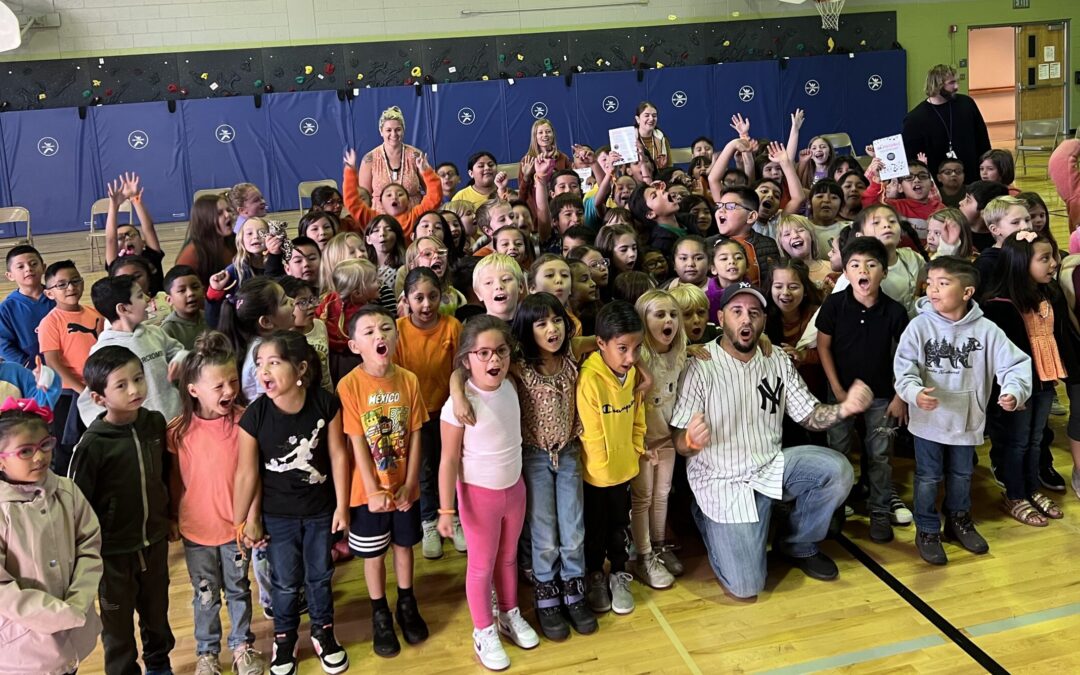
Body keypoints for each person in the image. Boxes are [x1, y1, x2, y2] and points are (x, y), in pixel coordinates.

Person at [670, 282, 867, 599]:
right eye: (737, 312)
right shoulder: (700, 365)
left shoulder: (775, 358)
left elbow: (808, 416)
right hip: (722, 481)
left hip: (770, 465)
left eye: (754, 313)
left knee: (837, 469)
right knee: (747, 587)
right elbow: (678, 437)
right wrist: (689, 442)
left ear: (763, 320)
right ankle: (708, 519)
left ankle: (798, 542)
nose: (746, 320)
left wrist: (845, 408)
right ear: (720, 318)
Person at [894, 256, 1032, 565]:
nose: (933, 290)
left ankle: (958, 521)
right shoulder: (918, 326)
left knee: (961, 474)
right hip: (928, 421)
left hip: (967, 420)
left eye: (943, 284)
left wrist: (1012, 391)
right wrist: (914, 393)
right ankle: (927, 529)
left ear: (967, 292)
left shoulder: (986, 330)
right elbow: (903, 368)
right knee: (928, 477)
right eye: (930, 283)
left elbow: (1016, 364)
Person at [233, 331, 351, 675]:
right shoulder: (254, 416)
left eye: (273, 362)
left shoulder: (325, 404)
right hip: (277, 516)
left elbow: (338, 456)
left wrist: (342, 505)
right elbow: (246, 474)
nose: (263, 371)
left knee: (320, 576)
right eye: (259, 364)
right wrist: (242, 521)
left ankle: (323, 632)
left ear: (300, 368)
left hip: (319, 511)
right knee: (284, 582)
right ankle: (284, 640)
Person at [438, 316, 539, 671]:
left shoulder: (511, 382)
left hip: (515, 489)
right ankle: (483, 630)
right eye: (483, 353)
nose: (493, 360)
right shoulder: (458, 404)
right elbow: (448, 460)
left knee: (508, 558)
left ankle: (509, 613)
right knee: (481, 567)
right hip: (479, 496)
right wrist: (445, 510)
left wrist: (457, 379)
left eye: (500, 351)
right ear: (467, 359)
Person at [69, 345, 176, 675]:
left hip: (154, 542)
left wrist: (170, 517)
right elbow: (78, 504)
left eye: (138, 379)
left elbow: (168, 474)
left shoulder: (155, 423)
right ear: (99, 398)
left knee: (157, 614)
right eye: (122, 385)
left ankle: (159, 665)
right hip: (112, 554)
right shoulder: (93, 444)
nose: (135, 390)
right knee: (117, 627)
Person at [167, 333, 264, 675]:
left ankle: (242, 646)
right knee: (205, 594)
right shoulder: (178, 432)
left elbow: (254, 477)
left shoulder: (246, 423)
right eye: (218, 385)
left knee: (238, 588)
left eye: (233, 381)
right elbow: (176, 481)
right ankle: (207, 653)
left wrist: (253, 519)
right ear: (193, 389)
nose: (229, 391)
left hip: (235, 531)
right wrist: (172, 518)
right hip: (197, 532)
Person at [338, 305, 430, 657]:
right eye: (370, 332)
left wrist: (409, 483)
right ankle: (380, 613)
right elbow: (356, 440)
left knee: (404, 547)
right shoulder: (350, 386)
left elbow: (417, 432)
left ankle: (407, 603)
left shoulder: (409, 379)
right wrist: (374, 488)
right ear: (354, 345)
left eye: (386, 328)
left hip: (404, 486)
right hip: (368, 492)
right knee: (373, 554)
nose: (380, 336)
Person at [816, 238, 910, 543]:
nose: (863, 270)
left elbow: (906, 358)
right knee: (838, 451)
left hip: (882, 396)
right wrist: (837, 389)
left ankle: (880, 511)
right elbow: (823, 346)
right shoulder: (834, 304)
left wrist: (899, 397)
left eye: (871, 264)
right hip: (840, 395)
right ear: (846, 270)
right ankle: (835, 510)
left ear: (884, 271)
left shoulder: (895, 312)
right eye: (855, 264)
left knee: (880, 455)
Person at [0, 398, 103, 675]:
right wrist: (54, 615)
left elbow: (89, 545)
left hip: (72, 632)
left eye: (45, 445)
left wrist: (79, 601)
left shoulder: (67, 491)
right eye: (25, 451)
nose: (39, 456)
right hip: (22, 648)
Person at [982, 232, 1072, 526]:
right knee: (1016, 441)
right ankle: (1015, 493)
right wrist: (1010, 391)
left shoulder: (1049, 294)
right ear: (1021, 263)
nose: (1054, 264)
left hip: (1045, 379)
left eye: (1054, 257)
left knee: (1035, 440)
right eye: (1044, 258)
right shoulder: (999, 305)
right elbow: (998, 358)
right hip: (1019, 387)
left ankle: (1032, 487)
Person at [577, 301, 645, 616]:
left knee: (620, 526)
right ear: (601, 344)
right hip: (595, 476)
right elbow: (591, 434)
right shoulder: (589, 379)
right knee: (595, 528)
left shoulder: (631, 374)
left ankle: (618, 572)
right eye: (622, 349)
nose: (631, 358)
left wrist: (635, 449)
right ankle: (594, 574)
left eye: (637, 348)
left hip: (624, 470)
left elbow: (637, 416)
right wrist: (605, 470)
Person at [393, 268, 465, 559]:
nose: (426, 305)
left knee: (453, 465)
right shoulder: (397, 329)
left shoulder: (452, 326)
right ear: (406, 299)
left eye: (432, 296)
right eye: (418, 297)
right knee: (423, 470)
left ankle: (456, 518)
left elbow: (460, 369)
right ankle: (429, 523)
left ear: (442, 296)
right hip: (416, 415)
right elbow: (396, 374)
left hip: (447, 412)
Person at [76, 275, 187, 428]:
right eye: (140, 296)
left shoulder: (154, 333)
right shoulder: (102, 351)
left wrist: (180, 358)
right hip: (144, 430)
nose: (148, 299)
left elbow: (177, 351)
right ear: (123, 308)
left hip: (177, 420)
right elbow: (89, 402)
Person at [38, 259, 104, 470]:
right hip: (69, 395)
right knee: (68, 446)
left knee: (97, 439)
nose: (71, 287)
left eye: (75, 281)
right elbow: (54, 363)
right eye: (62, 284)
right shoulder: (51, 322)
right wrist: (82, 389)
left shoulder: (95, 314)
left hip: (97, 389)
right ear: (49, 293)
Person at [902, 64, 991, 179]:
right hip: (938, 184)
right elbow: (912, 158)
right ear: (937, 85)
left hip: (971, 177)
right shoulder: (915, 119)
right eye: (951, 83)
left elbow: (982, 138)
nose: (956, 86)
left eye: (957, 82)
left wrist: (987, 166)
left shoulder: (967, 104)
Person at [104, 172, 166, 295]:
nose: (127, 239)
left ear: (142, 241)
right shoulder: (116, 263)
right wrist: (114, 205)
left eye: (131, 234)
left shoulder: (151, 255)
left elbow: (148, 228)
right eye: (120, 237)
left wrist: (135, 199)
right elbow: (110, 239)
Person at [358, 106, 426, 207]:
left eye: (398, 129)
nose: (393, 134)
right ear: (381, 132)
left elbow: (431, 189)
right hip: (381, 219)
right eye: (388, 130)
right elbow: (364, 198)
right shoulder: (369, 159)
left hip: (413, 217)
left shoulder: (416, 155)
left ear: (403, 130)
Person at [0, 244, 54, 368]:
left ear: (44, 267)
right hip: (32, 370)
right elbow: (3, 344)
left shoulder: (58, 296)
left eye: (33, 264)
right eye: (20, 266)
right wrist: (26, 364)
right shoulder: (6, 308)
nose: (28, 269)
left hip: (66, 362)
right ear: (10, 275)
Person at [175, 194, 237, 288]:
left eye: (228, 210)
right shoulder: (191, 254)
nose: (227, 215)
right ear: (205, 220)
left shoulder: (233, 240)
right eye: (219, 213)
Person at [160, 265, 208, 350]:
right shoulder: (168, 329)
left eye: (195, 287)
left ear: (203, 290)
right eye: (182, 290)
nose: (190, 293)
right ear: (169, 300)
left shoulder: (210, 317)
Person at [634, 102, 670, 169]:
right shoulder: (630, 139)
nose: (651, 119)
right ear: (638, 119)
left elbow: (669, 166)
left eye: (654, 116)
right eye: (647, 115)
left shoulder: (662, 139)